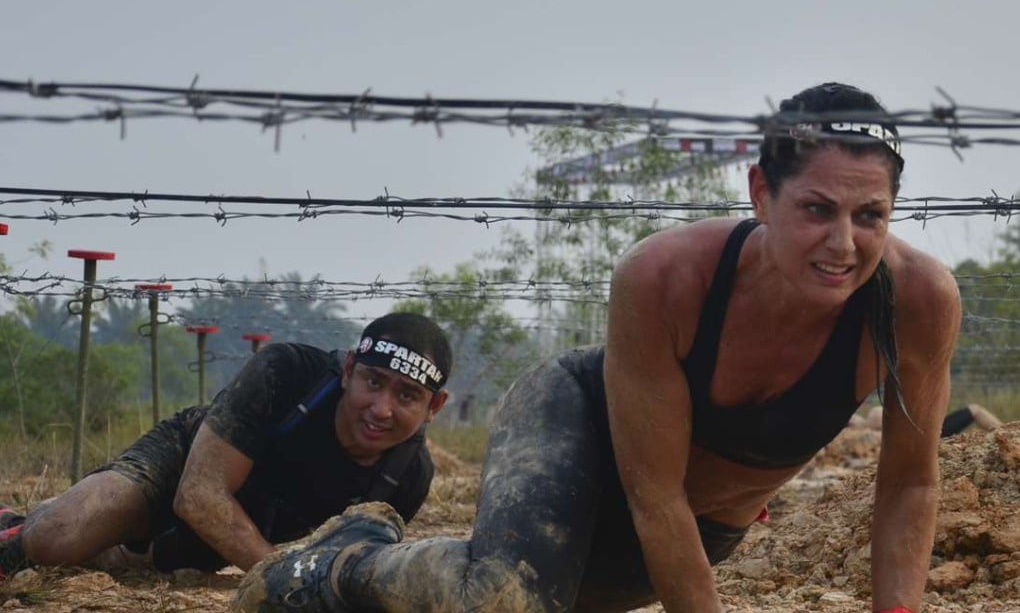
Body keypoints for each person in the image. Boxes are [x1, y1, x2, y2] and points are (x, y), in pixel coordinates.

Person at [233, 82, 961, 613]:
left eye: (871, 216)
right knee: (504, 600)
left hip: (699, 522)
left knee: (539, 595)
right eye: (817, 210)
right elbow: (655, 492)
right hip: (583, 426)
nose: (844, 244)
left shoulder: (917, 303)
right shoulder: (667, 276)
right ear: (761, 193)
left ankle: (380, 549)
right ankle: (341, 566)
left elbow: (909, 485)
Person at [0, 312, 451, 579]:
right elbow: (198, 495)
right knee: (58, 537)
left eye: (407, 396)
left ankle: (118, 544)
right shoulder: (288, 371)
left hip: (239, 531)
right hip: (183, 465)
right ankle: (18, 527)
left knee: (119, 566)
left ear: (434, 407)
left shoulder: (408, 476)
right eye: (373, 382)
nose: (382, 409)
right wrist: (283, 582)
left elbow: (355, 559)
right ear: (350, 370)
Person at [849, 403, 1003, 437]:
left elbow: (975, 411)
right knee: (876, 412)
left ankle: (1010, 436)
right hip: (914, 434)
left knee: (974, 409)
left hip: (917, 433)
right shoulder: (858, 433)